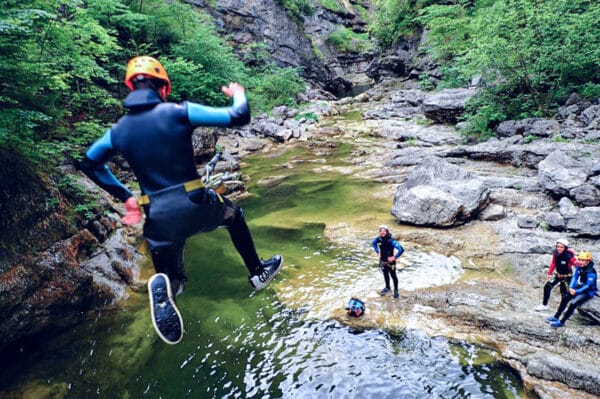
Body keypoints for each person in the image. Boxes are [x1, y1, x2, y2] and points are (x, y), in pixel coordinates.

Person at [79, 56, 283, 344]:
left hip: (158, 218)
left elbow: (89, 164)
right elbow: (238, 116)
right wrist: (238, 94)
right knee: (233, 216)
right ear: (163, 87)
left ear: (130, 89)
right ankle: (258, 272)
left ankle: (169, 290)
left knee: (171, 278)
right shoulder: (179, 112)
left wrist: (127, 197)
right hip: (196, 203)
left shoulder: (117, 132)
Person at [549, 251, 597, 328]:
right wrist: (571, 287)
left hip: (588, 291)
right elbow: (575, 277)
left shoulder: (591, 271)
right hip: (581, 286)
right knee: (565, 297)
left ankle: (562, 322)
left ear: (588, 261)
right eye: (580, 259)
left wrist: (576, 291)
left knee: (573, 304)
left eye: (583, 260)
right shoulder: (579, 266)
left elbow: (588, 285)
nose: (580, 262)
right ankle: (556, 316)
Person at [534, 238, 577, 312]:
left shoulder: (569, 256)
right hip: (558, 275)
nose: (559, 248)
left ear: (565, 248)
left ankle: (566, 307)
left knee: (564, 293)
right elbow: (553, 263)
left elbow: (577, 265)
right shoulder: (555, 253)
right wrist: (549, 274)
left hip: (567, 276)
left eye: (561, 247)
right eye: (558, 246)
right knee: (547, 286)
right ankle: (544, 305)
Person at [371, 225, 404, 299]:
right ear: (379, 232)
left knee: (393, 276)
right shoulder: (378, 239)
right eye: (381, 231)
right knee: (385, 274)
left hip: (391, 263)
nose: (382, 232)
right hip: (383, 261)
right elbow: (373, 243)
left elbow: (401, 249)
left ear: (387, 232)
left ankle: (396, 291)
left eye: (384, 231)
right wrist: (377, 252)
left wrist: (394, 257)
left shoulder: (391, 241)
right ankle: (387, 287)